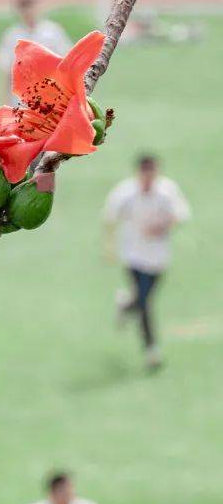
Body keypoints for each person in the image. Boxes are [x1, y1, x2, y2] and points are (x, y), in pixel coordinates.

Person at [104, 153, 190, 370]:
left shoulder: (167, 191)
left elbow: (182, 214)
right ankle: (152, 350)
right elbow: (110, 217)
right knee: (145, 303)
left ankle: (125, 304)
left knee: (144, 297)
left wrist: (161, 227)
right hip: (133, 255)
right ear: (139, 173)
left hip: (159, 257)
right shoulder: (126, 194)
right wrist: (110, 248)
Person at [0, 0, 71, 92]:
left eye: (31, 7)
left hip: (52, 87)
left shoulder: (52, 31)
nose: (29, 12)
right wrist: (6, 97)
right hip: (25, 91)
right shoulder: (12, 35)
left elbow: (66, 59)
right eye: (24, 8)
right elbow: (7, 69)